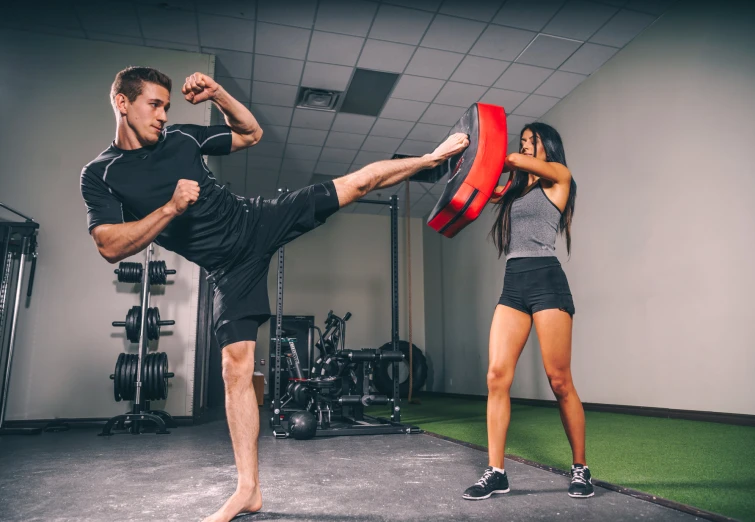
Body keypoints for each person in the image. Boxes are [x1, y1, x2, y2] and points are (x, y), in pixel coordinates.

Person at [80, 66, 469, 522]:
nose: (164, 114)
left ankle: (430, 159)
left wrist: (220, 94)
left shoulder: (182, 138)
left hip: (256, 219)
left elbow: (250, 133)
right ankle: (248, 490)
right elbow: (109, 245)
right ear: (122, 103)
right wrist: (169, 208)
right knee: (234, 368)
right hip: (227, 269)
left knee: (356, 182)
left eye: (167, 105)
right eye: (154, 104)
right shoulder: (102, 174)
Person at [462, 123, 591, 501]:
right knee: (496, 376)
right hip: (514, 283)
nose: (524, 149)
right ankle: (496, 471)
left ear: (546, 145)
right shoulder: (517, 188)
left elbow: (512, 161)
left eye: (529, 142)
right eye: (522, 143)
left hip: (547, 280)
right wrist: (465, 162)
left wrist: (496, 156)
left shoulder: (560, 178)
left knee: (559, 381)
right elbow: (484, 191)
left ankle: (581, 468)